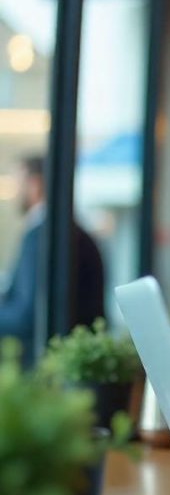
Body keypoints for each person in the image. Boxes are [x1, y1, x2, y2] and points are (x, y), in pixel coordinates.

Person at [0, 156, 105, 365]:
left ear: (35, 184)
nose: (15, 193)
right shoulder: (75, 232)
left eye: (18, 182)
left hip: (43, 366)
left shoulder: (42, 236)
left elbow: (28, 313)